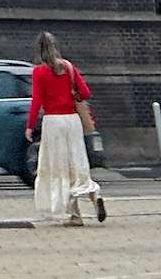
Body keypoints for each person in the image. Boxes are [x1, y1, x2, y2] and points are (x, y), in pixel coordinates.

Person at [27, 32, 105, 227]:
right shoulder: (69, 67)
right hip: (72, 121)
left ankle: (75, 216)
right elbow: (85, 92)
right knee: (77, 163)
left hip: (53, 123)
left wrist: (29, 125)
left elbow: (36, 101)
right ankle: (95, 197)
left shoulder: (39, 72)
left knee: (60, 168)